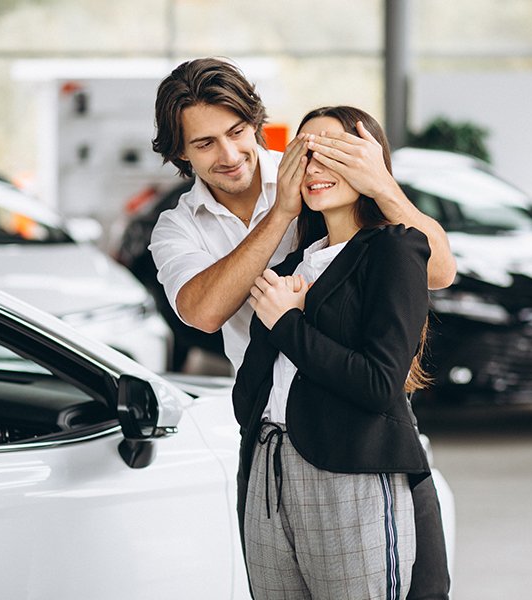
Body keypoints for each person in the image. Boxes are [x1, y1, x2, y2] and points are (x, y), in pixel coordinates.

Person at [149, 58, 452, 600]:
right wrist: (281, 214)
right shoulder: (179, 227)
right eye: (204, 143)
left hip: (350, 431)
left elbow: (434, 267)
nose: (229, 155)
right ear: (180, 153)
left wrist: (380, 183)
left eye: (238, 132)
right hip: (267, 442)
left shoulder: (317, 174)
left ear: (257, 124)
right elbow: (203, 311)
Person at [234, 105, 431, 599]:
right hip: (268, 470)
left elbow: (379, 384)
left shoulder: (395, 249)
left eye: (334, 152)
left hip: (350, 470)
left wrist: (289, 323)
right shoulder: (291, 264)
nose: (315, 166)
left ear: (369, 161)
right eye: (304, 153)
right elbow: (250, 389)